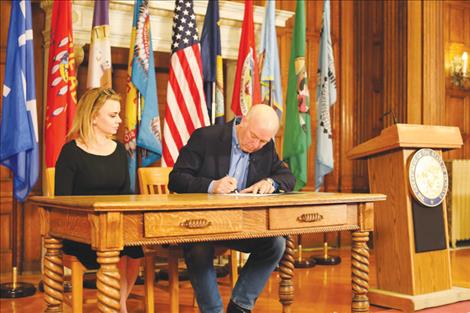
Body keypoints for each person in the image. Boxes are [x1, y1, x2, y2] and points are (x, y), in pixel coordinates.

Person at [168, 104, 296, 313]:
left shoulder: (265, 147)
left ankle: (240, 306)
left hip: (240, 226)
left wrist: (271, 183)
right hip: (202, 225)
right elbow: (176, 180)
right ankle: (213, 310)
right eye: (254, 137)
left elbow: (288, 177)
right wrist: (212, 186)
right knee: (198, 248)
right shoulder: (205, 137)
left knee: (276, 244)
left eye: (263, 141)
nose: (256, 145)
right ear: (243, 120)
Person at [55, 87, 142, 313]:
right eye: (113, 115)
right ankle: (117, 306)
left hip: (114, 228)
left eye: (119, 114)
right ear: (93, 117)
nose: (119, 120)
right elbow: (62, 202)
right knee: (116, 247)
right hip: (80, 231)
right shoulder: (70, 152)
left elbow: (125, 194)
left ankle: (118, 304)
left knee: (133, 248)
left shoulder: (121, 151)